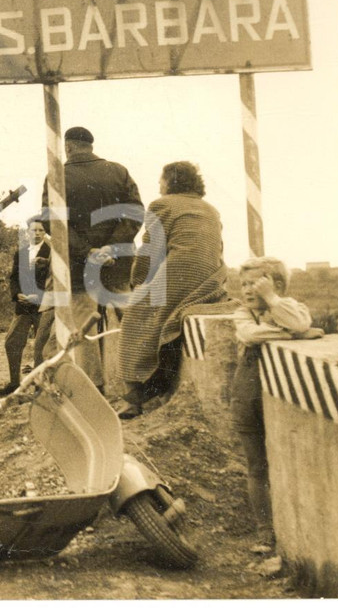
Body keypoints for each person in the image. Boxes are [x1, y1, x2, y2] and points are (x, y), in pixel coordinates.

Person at [115, 161, 230, 418]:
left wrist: (138, 282)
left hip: (180, 273)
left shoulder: (161, 205)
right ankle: (155, 388)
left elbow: (149, 252)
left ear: (171, 182)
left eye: (161, 180)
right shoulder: (211, 209)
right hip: (211, 277)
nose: (159, 185)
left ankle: (133, 397)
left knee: (134, 319)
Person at [230, 256, 323, 554]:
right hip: (247, 395)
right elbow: (250, 335)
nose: (246, 291)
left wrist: (273, 301)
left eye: (254, 285)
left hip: (283, 397)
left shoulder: (291, 307)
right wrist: (292, 334)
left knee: (288, 460)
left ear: (277, 285)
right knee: (257, 466)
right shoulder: (242, 315)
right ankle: (264, 532)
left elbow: (299, 321)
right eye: (243, 284)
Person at [40, 126, 142, 393]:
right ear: (91, 146)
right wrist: (111, 247)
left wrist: (87, 251)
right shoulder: (118, 171)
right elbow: (135, 212)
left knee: (83, 326)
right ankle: (139, 385)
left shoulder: (57, 176)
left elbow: (53, 222)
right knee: (129, 321)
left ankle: (94, 390)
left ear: (69, 147)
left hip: (77, 266)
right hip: (118, 264)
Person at [3, 217, 51, 393]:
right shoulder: (21, 252)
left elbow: (52, 280)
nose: (37, 233)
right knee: (12, 342)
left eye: (41, 230)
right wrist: (17, 294)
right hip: (23, 307)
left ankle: (40, 385)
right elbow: (14, 277)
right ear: (28, 232)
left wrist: (37, 296)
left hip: (42, 307)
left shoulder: (51, 252)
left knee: (42, 346)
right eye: (34, 230)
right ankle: (14, 382)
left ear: (45, 232)